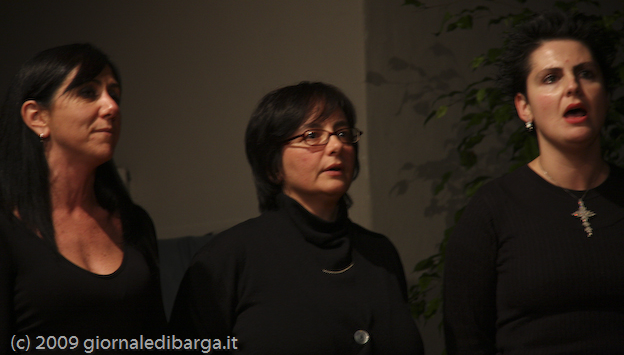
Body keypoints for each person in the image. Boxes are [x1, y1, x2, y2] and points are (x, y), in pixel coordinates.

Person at [170, 81, 424, 354]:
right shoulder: (226, 259)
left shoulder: (380, 252)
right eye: (312, 135)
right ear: (273, 166)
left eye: (342, 133)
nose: (336, 145)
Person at [443, 11, 624, 354]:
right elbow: (466, 341)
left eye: (587, 74)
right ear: (524, 107)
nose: (573, 87)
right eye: (551, 78)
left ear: (606, 95)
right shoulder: (492, 211)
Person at [0, 44, 167, 352]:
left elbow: (157, 337)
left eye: (114, 94)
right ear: (37, 117)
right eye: (88, 93)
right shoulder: (8, 229)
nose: (111, 107)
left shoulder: (135, 222)